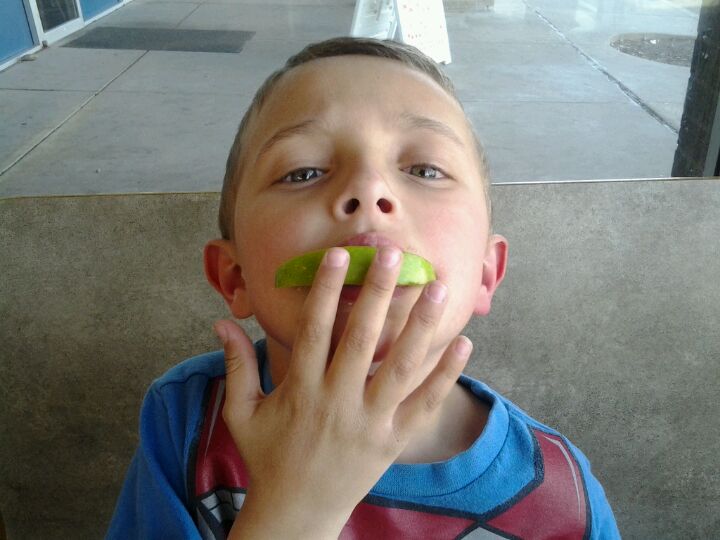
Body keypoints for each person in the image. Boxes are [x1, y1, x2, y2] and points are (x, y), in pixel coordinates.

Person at [107, 37, 620, 539]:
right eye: (303, 171)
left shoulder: (563, 498)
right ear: (234, 277)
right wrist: (296, 506)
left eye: (426, 169)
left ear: (486, 274)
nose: (369, 189)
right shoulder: (184, 420)